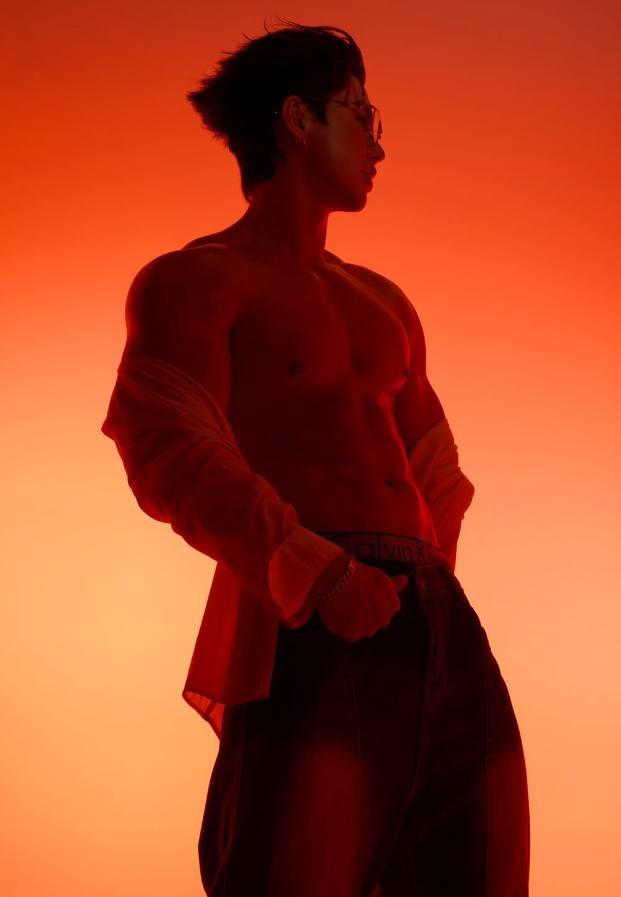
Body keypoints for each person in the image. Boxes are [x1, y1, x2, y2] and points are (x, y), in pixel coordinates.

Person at [102, 22, 529, 897]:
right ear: (298, 120)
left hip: (431, 614)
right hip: (317, 611)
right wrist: (318, 574)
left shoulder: (382, 300)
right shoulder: (197, 279)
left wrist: (428, 594)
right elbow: (169, 447)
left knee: (479, 874)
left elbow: (434, 469)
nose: (378, 143)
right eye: (361, 114)